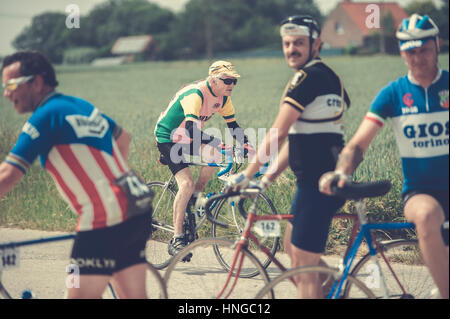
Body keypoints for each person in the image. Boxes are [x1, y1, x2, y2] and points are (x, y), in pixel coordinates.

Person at [1, 51, 153, 299]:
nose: (6, 93)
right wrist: (112, 184)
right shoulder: (80, 106)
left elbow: (7, 175)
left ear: (37, 82)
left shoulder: (46, 116)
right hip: (135, 209)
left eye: (10, 85)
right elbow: (123, 138)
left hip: (103, 219)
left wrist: (105, 195)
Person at [319, 14, 449, 299]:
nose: (417, 58)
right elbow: (357, 145)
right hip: (421, 193)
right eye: (410, 51)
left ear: (437, 45)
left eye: (424, 49)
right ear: (401, 52)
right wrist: (342, 172)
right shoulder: (393, 93)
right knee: (428, 215)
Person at [226, 15, 351, 298]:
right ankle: (334, 289)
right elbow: (296, 139)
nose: (291, 49)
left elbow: (278, 133)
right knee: (292, 246)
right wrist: (266, 179)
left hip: (319, 185)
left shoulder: (305, 78)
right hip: (314, 181)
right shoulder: (329, 75)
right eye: (286, 43)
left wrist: (246, 175)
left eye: (299, 43)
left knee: (303, 270)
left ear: (316, 44)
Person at [154, 60, 254, 255]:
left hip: (187, 137)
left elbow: (234, 127)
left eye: (234, 81)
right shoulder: (196, 94)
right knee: (186, 183)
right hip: (168, 137)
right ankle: (177, 238)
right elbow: (191, 129)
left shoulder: (223, 98)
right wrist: (217, 142)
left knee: (216, 155)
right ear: (213, 80)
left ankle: (195, 197)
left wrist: (249, 147)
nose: (231, 85)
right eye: (227, 81)